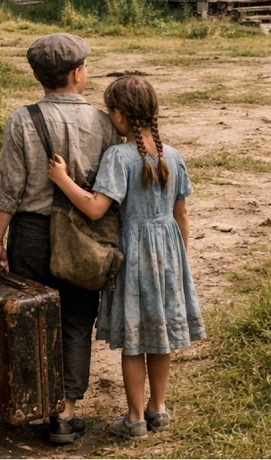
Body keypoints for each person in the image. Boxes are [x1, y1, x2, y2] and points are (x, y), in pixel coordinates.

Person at [46, 74, 205, 440]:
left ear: (118, 116)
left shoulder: (118, 156)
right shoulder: (174, 156)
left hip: (133, 257)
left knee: (135, 339)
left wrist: (62, 179)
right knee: (159, 335)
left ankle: (135, 418)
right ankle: (158, 409)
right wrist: (181, 258)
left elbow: (97, 208)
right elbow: (182, 214)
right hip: (169, 255)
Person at [0, 33, 119, 444]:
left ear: (36, 75)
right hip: (82, 236)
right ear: (79, 74)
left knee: (33, 319)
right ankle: (65, 413)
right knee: (77, 319)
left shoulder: (22, 120)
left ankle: (33, 400)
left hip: (31, 234)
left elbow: (8, 189)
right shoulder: (102, 122)